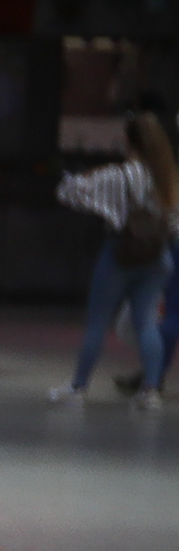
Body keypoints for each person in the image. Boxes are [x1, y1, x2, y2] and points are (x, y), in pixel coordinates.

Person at [51, 111, 179, 410]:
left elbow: (69, 193)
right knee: (147, 323)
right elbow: (174, 223)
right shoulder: (167, 178)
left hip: (120, 255)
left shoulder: (116, 176)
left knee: (97, 323)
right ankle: (150, 391)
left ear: (127, 141)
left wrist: (75, 179)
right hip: (157, 257)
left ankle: (78, 387)